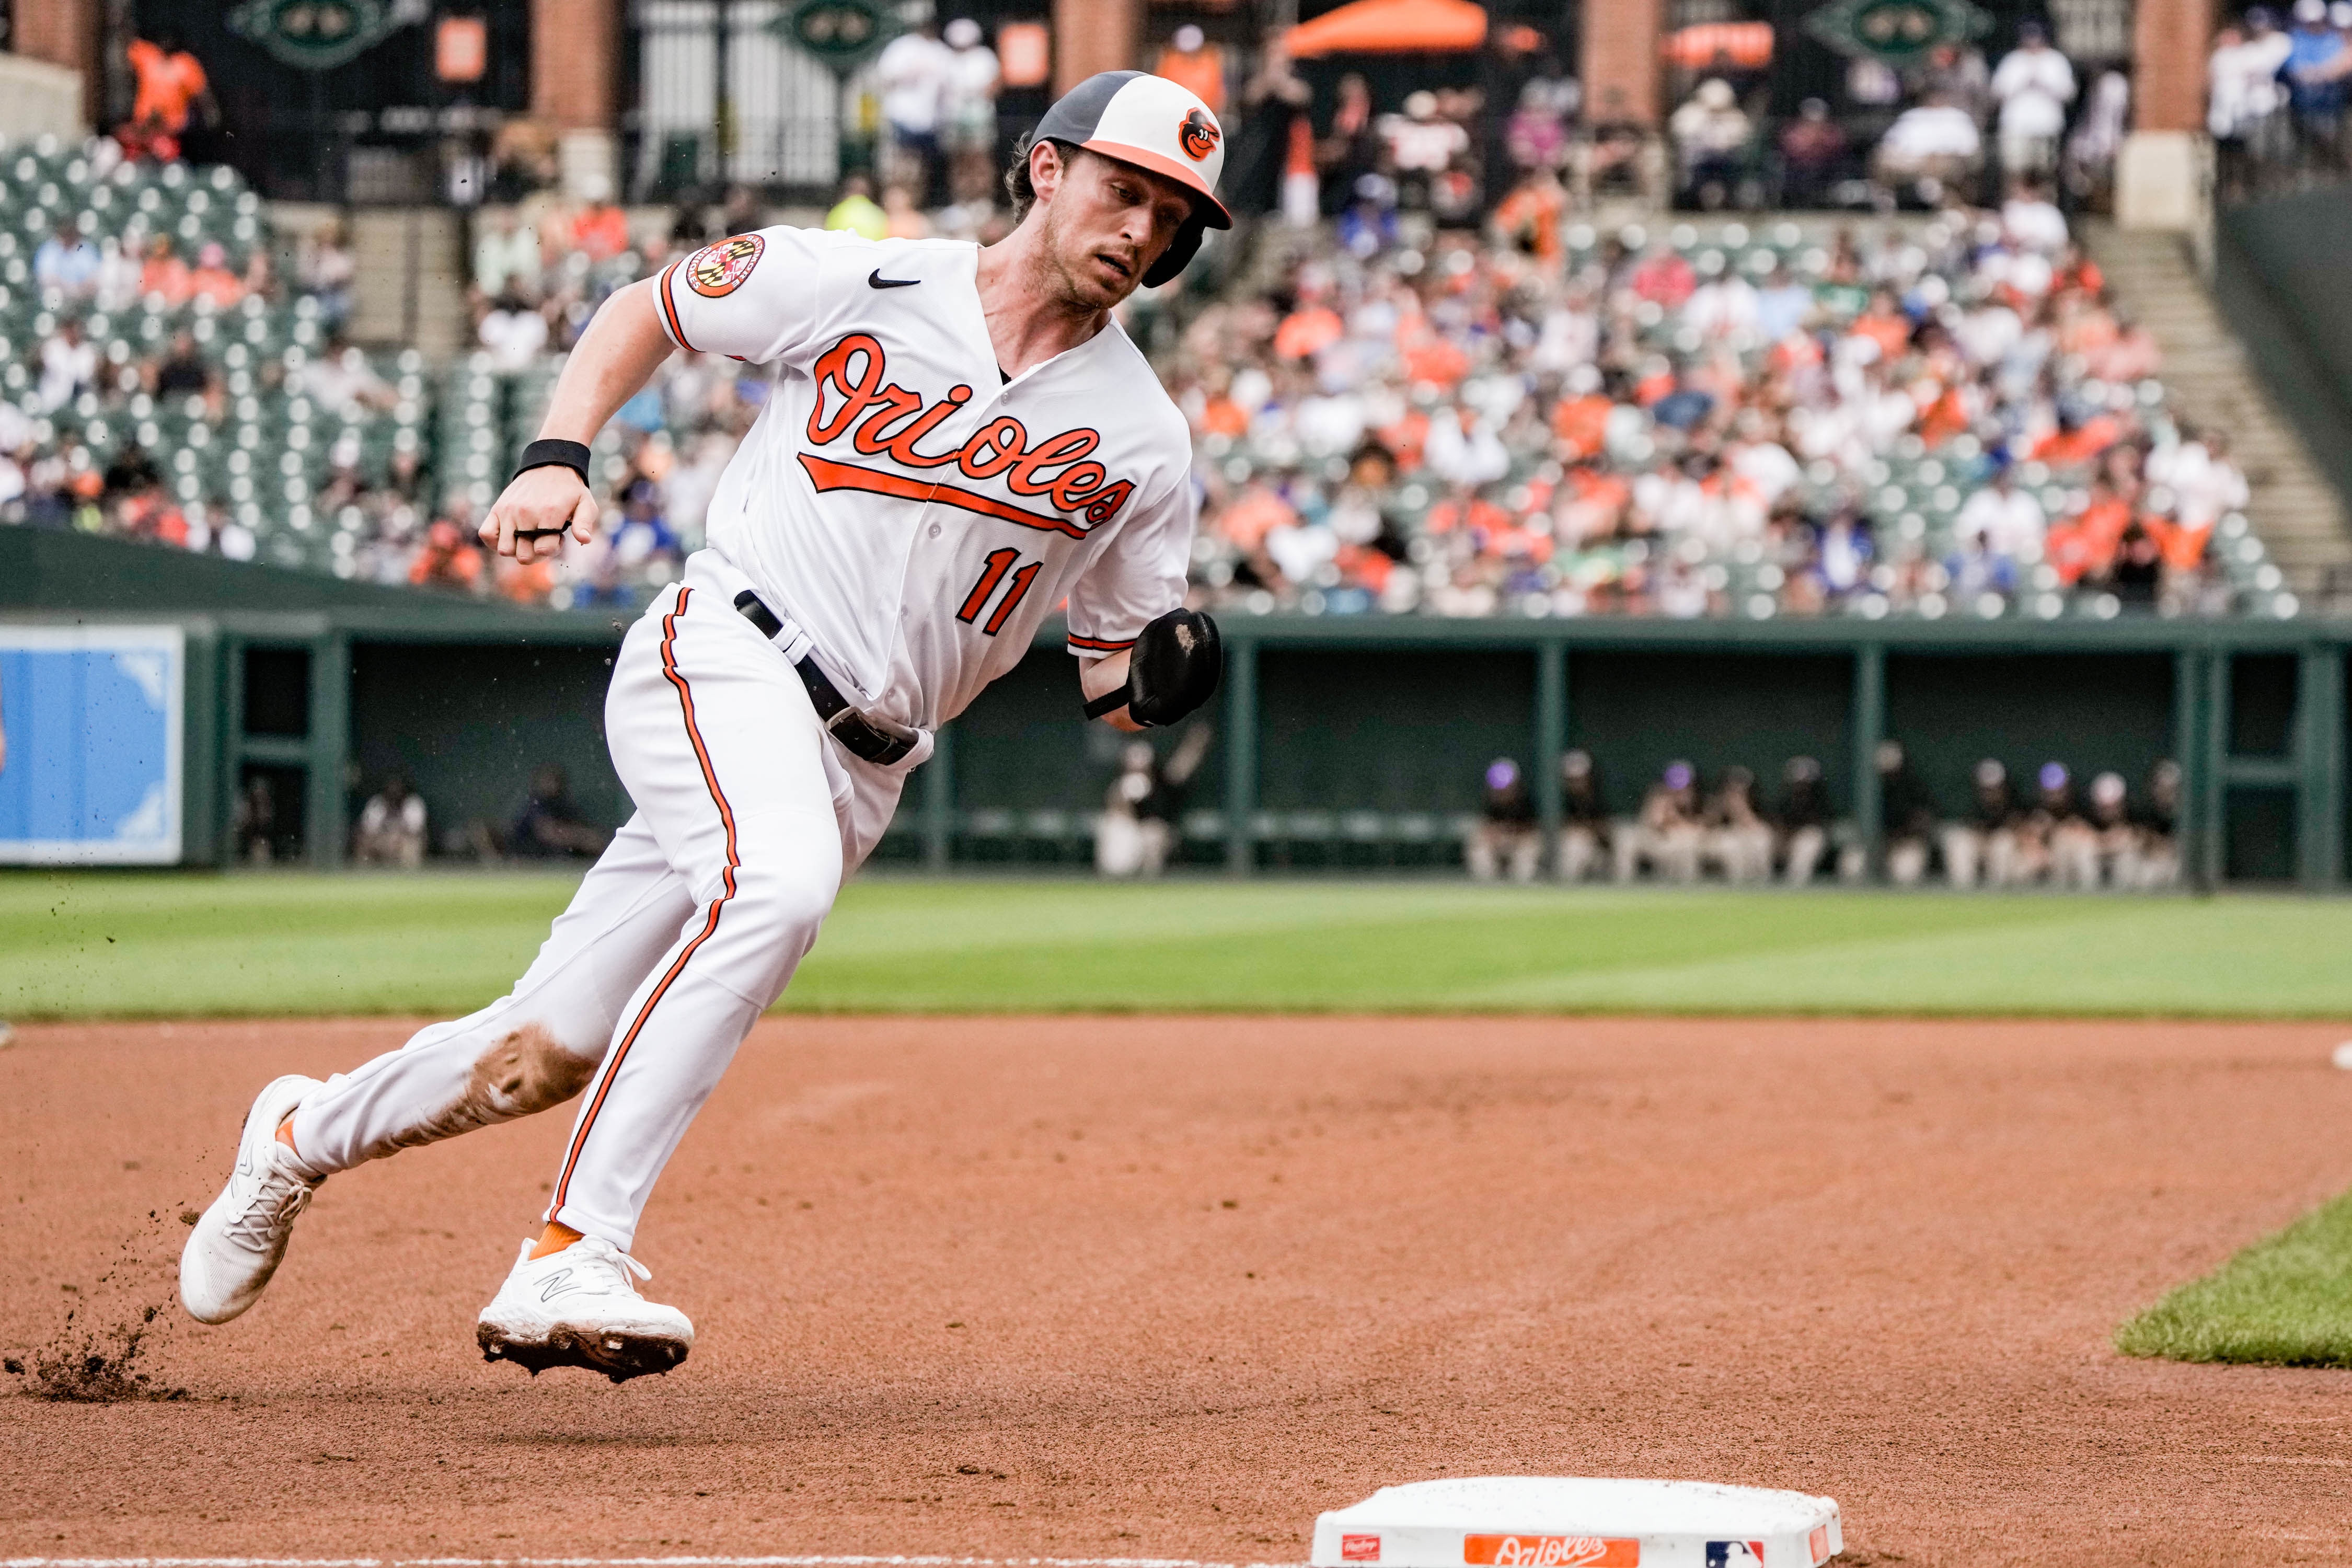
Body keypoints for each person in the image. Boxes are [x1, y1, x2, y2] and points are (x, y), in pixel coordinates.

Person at [179, 69, 1232, 1383]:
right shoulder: (865, 281)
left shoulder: (1141, 437)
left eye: (1171, 216)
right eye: (1122, 189)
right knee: (774, 888)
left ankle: (296, 1138)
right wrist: (559, 451)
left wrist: (1160, 673)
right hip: (727, 649)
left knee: (540, 1053)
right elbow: (652, 304)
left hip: (864, 762)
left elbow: (1108, 674)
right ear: (1045, 170)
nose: (1139, 228)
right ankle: (573, 1245)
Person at [1096, 723, 1213, 877]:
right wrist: (1123, 802)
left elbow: (1182, 767)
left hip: (1156, 834)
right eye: (1133, 765)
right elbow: (1116, 812)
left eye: (1143, 765)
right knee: (1113, 828)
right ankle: (1110, 879)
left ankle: (1150, 884)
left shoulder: (1162, 784)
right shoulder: (1120, 787)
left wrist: (1195, 743)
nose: (1139, 769)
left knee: (1153, 835)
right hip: (1130, 833)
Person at [877, 19, 953, 204]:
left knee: (921, 166)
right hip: (903, 116)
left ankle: (915, 204)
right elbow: (886, 76)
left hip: (929, 119)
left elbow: (949, 84)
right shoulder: (902, 47)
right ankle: (896, 203)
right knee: (901, 163)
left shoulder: (940, 51)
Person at [1989, 22, 2076, 182]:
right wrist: (2023, 81)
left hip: (2047, 126)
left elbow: (2069, 93)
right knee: (2015, 170)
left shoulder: (2055, 60)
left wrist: (2043, 82)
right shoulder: (2013, 60)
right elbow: (1997, 92)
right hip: (2017, 125)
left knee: (2045, 173)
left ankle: (2044, 204)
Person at [940, 18, 1002, 205]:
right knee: (958, 160)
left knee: (980, 157)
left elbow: (996, 84)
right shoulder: (946, 58)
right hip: (953, 116)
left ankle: (982, 198)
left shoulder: (984, 57)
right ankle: (961, 199)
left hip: (978, 115)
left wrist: (977, 94)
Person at [1615, 760, 1704, 884]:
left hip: (1687, 845)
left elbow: (1701, 830)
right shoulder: (1659, 798)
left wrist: (1678, 819)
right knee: (1626, 838)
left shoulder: (1701, 801)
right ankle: (1623, 885)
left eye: (1685, 786)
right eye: (1675, 785)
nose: (1680, 791)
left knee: (1685, 846)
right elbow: (1655, 824)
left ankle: (1690, 889)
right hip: (1655, 842)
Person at [1942, 757, 2015, 889]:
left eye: (1995, 788)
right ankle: (1963, 894)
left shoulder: (2013, 801)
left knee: (2004, 843)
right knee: (1959, 843)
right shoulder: (1968, 801)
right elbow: (1967, 826)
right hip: (1976, 843)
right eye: (1987, 789)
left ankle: (1998, 895)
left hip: (2000, 846)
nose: (1991, 793)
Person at [507, 764, 609, 859]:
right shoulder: (536, 805)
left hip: (562, 862)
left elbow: (588, 834)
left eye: (555, 780)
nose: (551, 784)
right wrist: (582, 838)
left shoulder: (562, 804)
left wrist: (589, 838)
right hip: (531, 860)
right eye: (547, 780)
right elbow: (548, 833)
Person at [1467, 758, 1540, 882]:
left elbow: (1533, 830)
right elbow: (1485, 827)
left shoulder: (1528, 801)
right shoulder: (1487, 800)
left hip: (1522, 843)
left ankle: (1523, 892)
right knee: (1480, 850)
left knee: (1525, 865)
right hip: (1497, 842)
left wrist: (1511, 835)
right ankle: (1488, 891)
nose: (1502, 791)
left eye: (1507, 787)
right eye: (1498, 788)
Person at [1875, 740, 1936, 886]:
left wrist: (1899, 837)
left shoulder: (1914, 788)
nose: (1889, 775)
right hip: (1876, 845)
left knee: (1906, 874)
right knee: (1854, 866)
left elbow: (1924, 821)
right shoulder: (1871, 790)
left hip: (1908, 844)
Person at [1777, 755, 1832, 886]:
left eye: (1806, 784)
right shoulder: (1785, 799)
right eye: (1798, 783)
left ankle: (1796, 891)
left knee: (1808, 842)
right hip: (1783, 839)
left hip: (1809, 838)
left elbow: (1824, 824)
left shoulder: (1820, 800)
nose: (1801, 787)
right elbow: (1778, 823)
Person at [1555, 748, 1608, 882]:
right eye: (1572, 780)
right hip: (1565, 848)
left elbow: (1607, 830)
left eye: (1580, 779)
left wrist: (1590, 831)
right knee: (1574, 847)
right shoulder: (1559, 799)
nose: (1576, 783)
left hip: (1598, 849)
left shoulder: (1599, 797)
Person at [353, 776, 429, 867]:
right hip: (381, 839)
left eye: (398, 789)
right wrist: (386, 838)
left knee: (411, 845)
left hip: (404, 840)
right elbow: (369, 829)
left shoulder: (413, 803)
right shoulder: (377, 803)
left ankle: (408, 876)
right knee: (364, 841)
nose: (395, 792)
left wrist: (397, 837)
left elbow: (415, 830)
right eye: (391, 788)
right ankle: (365, 874)